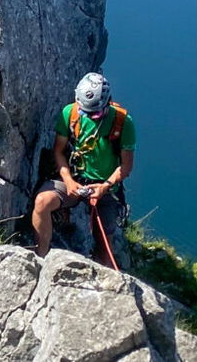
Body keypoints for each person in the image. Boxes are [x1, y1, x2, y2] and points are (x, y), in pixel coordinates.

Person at [30, 72, 136, 260]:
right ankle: (40, 258)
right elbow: (59, 151)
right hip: (76, 180)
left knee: (104, 246)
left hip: (106, 186)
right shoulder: (69, 113)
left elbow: (125, 167)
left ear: (108, 102)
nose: (90, 116)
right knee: (42, 202)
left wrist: (104, 187)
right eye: (84, 111)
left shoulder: (122, 122)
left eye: (95, 113)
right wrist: (69, 181)